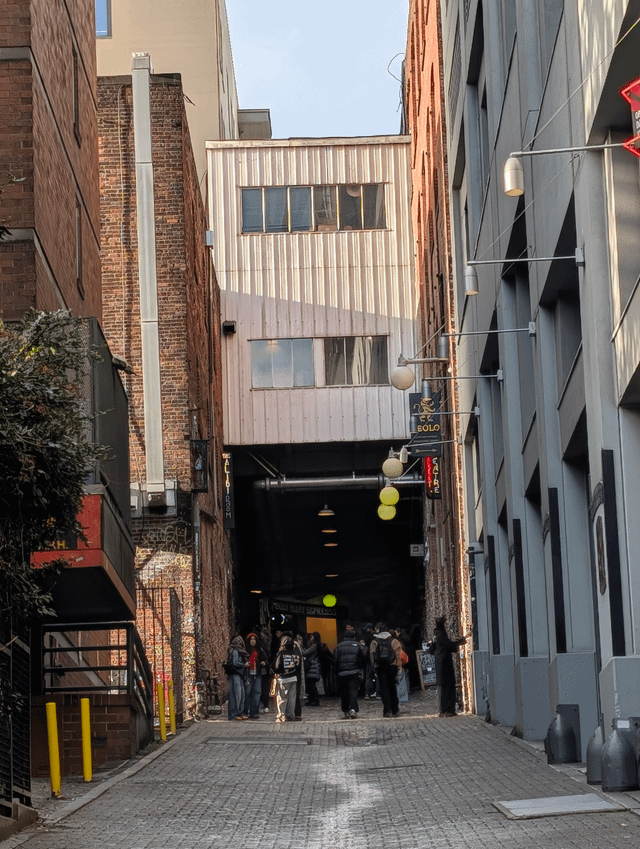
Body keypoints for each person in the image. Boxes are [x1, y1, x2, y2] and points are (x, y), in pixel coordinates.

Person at [433, 616, 466, 717]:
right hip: (445, 664)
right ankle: (447, 709)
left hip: (442, 663)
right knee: (447, 687)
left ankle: (446, 709)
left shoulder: (437, 634)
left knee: (445, 687)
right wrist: (461, 641)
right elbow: (449, 645)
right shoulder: (441, 635)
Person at [369, 623, 402, 718]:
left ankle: (386, 710)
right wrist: (399, 666)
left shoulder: (374, 642)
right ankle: (395, 709)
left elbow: (372, 655)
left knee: (384, 688)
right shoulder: (394, 641)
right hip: (392, 666)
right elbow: (398, 655)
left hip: (380, 667)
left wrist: (374, 666)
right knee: (392, 687)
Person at [333, 630, 367, 718]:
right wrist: (360, 667)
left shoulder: (339, 646)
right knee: (353, 691)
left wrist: (336, 672)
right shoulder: (358, 645)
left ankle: (345, 710)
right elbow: (364, 657)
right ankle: (353, 709)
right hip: (354, 671)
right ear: (354, 637)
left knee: (344, 692)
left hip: (342, 672)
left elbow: (335, 660)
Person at [272, 635, 301, 722]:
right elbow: (298, 666)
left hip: (284, 678)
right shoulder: (296, 654)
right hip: (294, 678)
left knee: (283, 698)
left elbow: (276, 666)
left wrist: (277, 672)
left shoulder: (281, 654)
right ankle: (291, 715)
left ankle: (282, 715)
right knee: (292, 698)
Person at [245, 632, 268, 719]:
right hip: (248, 673)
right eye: (251, 639)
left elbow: (265, 659)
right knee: (247, 692)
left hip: (257, 673)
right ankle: (246, 711)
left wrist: (264, 662)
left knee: (257, 692)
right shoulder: (245, 650)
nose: (252, 641)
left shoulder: (259, 650)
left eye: (254, 639)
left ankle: (254, 712)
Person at [225, 636, 248, 720]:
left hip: (240, 675)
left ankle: (239, 713)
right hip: (235, 675)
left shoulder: (239, 652)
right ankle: (234, 714)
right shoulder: (235, 651)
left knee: (241, 695)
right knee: (235, 695)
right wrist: (244, 665)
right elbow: (235, 663)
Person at [302, 632, 322, 706]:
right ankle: (312, 699)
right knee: (310, 683)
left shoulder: (314, 645)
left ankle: (314, 699)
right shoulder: (317, 645)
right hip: (313, 666)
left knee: (311, 684)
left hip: (312, 666)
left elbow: (305, 653)